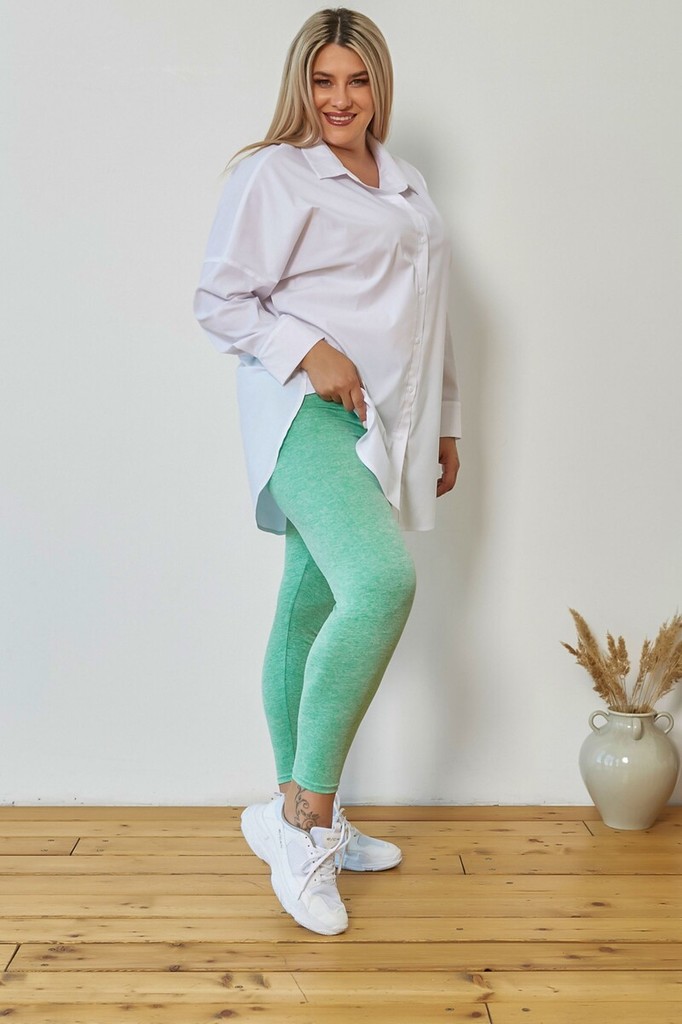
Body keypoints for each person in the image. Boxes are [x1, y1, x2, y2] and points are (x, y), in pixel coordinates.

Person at [193, 7, 461, 936]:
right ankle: (303, 823)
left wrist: (445, 423)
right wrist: (312, 352)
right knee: (381, 582)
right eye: (322, 81)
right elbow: (219, 298)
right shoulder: (274, 173)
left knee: (309, 603)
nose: (340, 99)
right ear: (300, 86)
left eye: (356, 80)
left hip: (382, 427)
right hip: (305, 415)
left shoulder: (408, 184)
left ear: (380, 85)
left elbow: (430, 315)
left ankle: (297, 813)